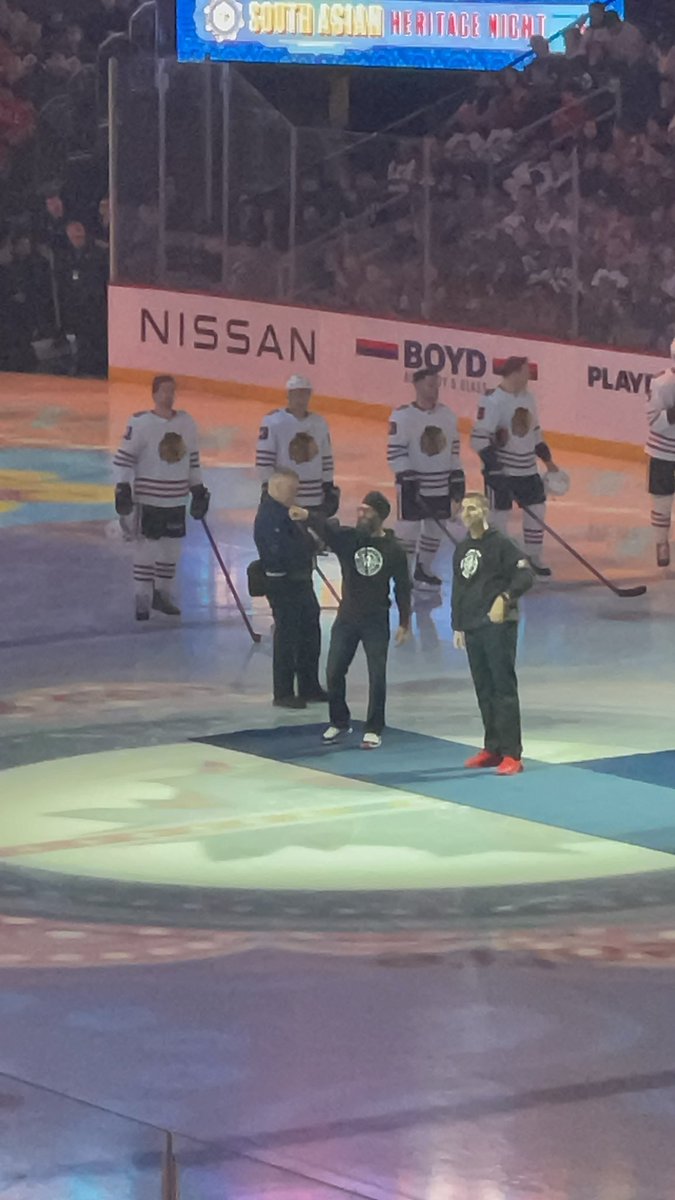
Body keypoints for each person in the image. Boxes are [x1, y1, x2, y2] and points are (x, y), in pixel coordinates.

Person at [294, 491, 412, 749]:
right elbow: (326, 529)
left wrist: (405, 622)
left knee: (377, 675)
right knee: (334, 671)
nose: (361, 515)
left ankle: (374, 728)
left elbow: (403, 587)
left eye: (367, 511)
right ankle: (339, 721)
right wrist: (306, 515)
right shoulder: (349, 540)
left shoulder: (394, 549)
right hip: (347, 617)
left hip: (376, 620)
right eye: (360, 510)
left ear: (379, 515)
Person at [113, 375, 209, 621]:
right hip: (149, 500)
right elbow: (124, 458)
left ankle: (163, 595)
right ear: (154, 394)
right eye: (164, 391)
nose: (168, 395)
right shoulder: (141, 423)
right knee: (145, 551)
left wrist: (197, 488)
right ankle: (142, 598)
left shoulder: (187, 423)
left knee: (171, 553)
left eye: (171, 391)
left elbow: (192, 460)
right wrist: (122, 486)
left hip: (175, 500)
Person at [452, 492, 534, 776]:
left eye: (473, 508)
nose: (467, 514)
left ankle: (512, 753)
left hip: (498, 627)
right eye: (464, 509)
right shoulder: (462, 548)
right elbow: (459, 587)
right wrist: (458, 624)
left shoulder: (502, 544)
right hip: (473, 626)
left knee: (502, 688)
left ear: (485, 511)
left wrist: (505, 597)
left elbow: (525, 575)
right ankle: (493, 747)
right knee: (483, 688)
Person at [470, 356, 560, 577]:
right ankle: (496, 562)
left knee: (537, 510)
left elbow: (535, 433)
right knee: (498, 516)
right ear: (516, 373)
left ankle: (534, 557)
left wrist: (548, 462)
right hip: (502, 472)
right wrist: (494, 468)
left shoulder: (529, 398)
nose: (529, 376)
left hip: (528, 470)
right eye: (526, 372)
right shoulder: (493, 401)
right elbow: (478, 439)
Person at [387, 366, 465, 590]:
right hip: (412, 486)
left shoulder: (448, 416)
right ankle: (404, 575)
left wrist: (457, 476)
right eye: (430, 385)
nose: (435, 389)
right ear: (417, 385)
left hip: (440, 485)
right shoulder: (402, 417)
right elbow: (395, 453)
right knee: (408, 531)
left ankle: (424, 569)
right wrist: (406, 475)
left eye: (437, 385)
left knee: (435, 529)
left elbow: (453, 451)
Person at [253, 469, 325, 710]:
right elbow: (278, 551)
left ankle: (309, 685)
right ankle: (283, 692)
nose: (296, 494)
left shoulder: (288, 512)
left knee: (309, 633)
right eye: (291, 489)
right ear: (276, 488)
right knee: (287, 637)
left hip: (301, 580)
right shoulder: (270, 517)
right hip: (284, 584)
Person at [255, 375, 338, 515]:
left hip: (314, 498)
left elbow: (326, 458)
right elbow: (264, 461)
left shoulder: (320, 423)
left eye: (305, 394)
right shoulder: (273, 422)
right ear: (288, 395)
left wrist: (328, 485)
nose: (301, 399)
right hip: (284, 498)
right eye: (297, 394)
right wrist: (269, 487)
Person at [646, 338, 675, 567]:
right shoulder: (661, 383)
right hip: (663, 453)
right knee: (662, 502)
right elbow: (654, 422)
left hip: (664, 452)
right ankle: (661, 543)